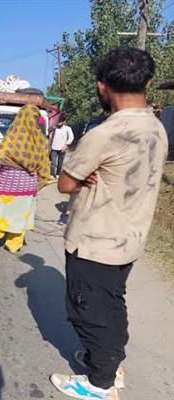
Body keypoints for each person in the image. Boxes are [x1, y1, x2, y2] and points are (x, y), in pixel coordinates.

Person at [51, 47, 168, 400]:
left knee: (87, 312)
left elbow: (65, 183)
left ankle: (100, 384)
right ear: (147, 83)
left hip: (96, 241)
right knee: (112, 303)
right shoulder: (157, 128)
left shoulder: (104, 134)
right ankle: (108, 362)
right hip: (129, 238)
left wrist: (87, 175)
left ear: (102, 86)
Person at [0, 105, 51, 253]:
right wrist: (38, 181)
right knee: (20, 214)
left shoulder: (15, 134)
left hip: (7, 182)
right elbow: (44, 165)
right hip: (28, 185)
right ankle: (14, 245)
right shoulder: (41, 139)